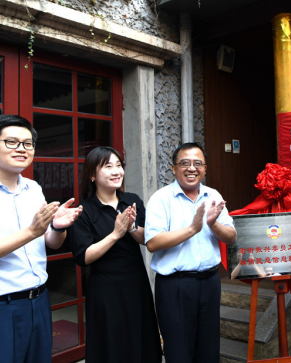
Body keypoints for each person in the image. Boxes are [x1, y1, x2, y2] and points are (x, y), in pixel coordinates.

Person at [0, 115, 82, 363]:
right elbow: (34, 233)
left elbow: (51, 243)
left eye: (28, 144)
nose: (21, 149)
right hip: (4, 305)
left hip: (39, 300)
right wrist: (31, 232)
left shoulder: (34, 188)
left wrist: (57, 227)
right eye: (12, 142)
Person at [145, 142, 237, 363]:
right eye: (184, 163)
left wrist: (213, 224)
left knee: (208, 349)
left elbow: (232, 236)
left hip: (210, 282)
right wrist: (193, 229)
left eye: (198, 163)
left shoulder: (213, 195)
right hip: (175, 285)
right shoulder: (161, 198)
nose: (191, 168)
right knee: (179, 351)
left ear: (205, 168)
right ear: (174, 168)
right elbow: (153, 242)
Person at [69, 146, 161, 363]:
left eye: (119, 165)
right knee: (113, 344)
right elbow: (83, 257)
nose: (116, 171)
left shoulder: (131, 200)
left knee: (142, 340)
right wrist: (115, 234)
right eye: (108, 166)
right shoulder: (84, 211)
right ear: (92, 175)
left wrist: (130, 228)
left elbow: (147, 240)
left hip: (136, 284)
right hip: (106, 290)